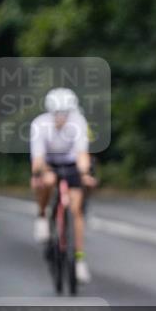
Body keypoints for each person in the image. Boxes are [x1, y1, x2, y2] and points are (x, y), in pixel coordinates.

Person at [30, 88, 96, 283]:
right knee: (47, 181)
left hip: (71, 164)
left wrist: (85, 174)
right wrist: (41, 174)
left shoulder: (79, 121)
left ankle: (79, 260)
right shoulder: (39, 124)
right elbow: (38, 159)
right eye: (58, 114)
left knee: (76, 210)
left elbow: (82, 154)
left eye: (65, 113)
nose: (61, 118)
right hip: (48, 163)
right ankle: (42, 216)